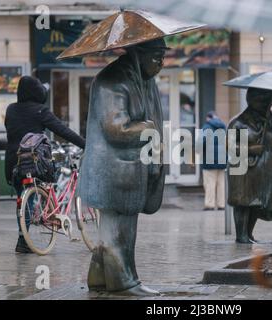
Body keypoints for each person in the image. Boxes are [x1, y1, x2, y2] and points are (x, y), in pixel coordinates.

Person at [79, 38, 169, 296]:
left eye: (163, 56)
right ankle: (123, 283)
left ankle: (99, 279)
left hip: (131, 171)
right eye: (156, 56)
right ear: (138, 53)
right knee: (118, 233)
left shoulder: (144, 80)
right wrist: (148, 128)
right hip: (112, 172)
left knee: (116, 231)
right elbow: (116, 128)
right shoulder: (113, 80)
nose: (161, 63)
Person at [4, 76, 86, 253]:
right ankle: (40, 221)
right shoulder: (40, 111)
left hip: (14, 163)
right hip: (34, 162)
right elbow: (63, 131)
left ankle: (22, 238)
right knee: (36, 192)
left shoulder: (11, 110)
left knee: (22, 200)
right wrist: (86, 144)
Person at [227, 88, 272, 243]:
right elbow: (231, 147)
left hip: (264, 171)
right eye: (259, 96)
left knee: (256, 203)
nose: (264, 100)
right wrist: (251, 149)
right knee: (242, 202)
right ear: (250, 98)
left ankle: (249, 234)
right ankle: (241, 235)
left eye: (267, 96)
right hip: (243, 170)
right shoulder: (238, 123)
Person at [198, 111, 227, 210]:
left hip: (209, 161)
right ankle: (221, 204)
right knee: (222, 184)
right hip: (223, 160)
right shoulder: (224, 127)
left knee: (210, 183)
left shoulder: (206, 127)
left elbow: (201, 143)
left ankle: (210, 204)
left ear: (208, 118)